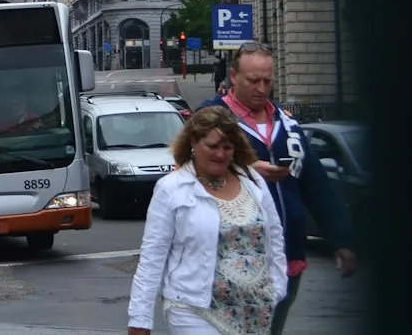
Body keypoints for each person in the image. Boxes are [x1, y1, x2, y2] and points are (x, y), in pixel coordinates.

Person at [197, 42, 357, 334]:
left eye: (268, 81)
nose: (262, 88)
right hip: (234, 252)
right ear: (234, 77)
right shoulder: (212, 116)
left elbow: (316, 185)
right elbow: (189, 165)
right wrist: (250, 168)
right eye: (253, 80)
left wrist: (342, 240)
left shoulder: (288, 123)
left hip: (288, 251)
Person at [128, 105, 287, 334]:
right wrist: (139, 319)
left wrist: (277, 287)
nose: (220, 154)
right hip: (193, 309)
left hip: (255, 311)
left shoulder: (254, 181)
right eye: (212, 146)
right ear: (193, 142)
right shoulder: (171, 189)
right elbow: (152, 258)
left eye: (227, 147)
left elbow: (274, 238)